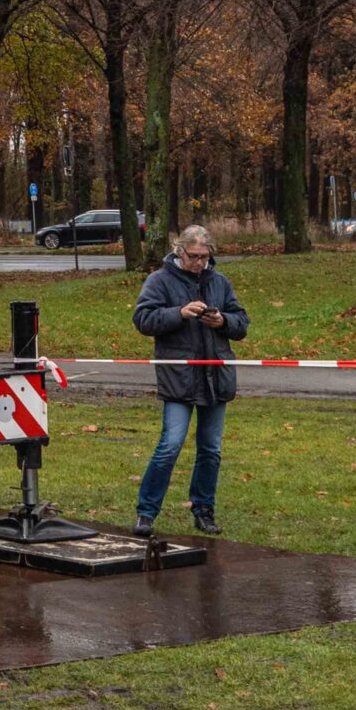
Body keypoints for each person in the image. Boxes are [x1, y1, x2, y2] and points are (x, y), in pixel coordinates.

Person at [129, 224, 248, 538]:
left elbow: (241, 323)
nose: (199, 262)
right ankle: (146, 513)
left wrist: (222, 321)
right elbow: (143, 320)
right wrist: (179, 313)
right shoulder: (159, 280)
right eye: (193, 256)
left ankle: (204, 510)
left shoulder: (219, 281)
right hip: (179, 379)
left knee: (210, 449)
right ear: (179, 251)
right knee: (169, 446)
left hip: (216, 378)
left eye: (204, 256)